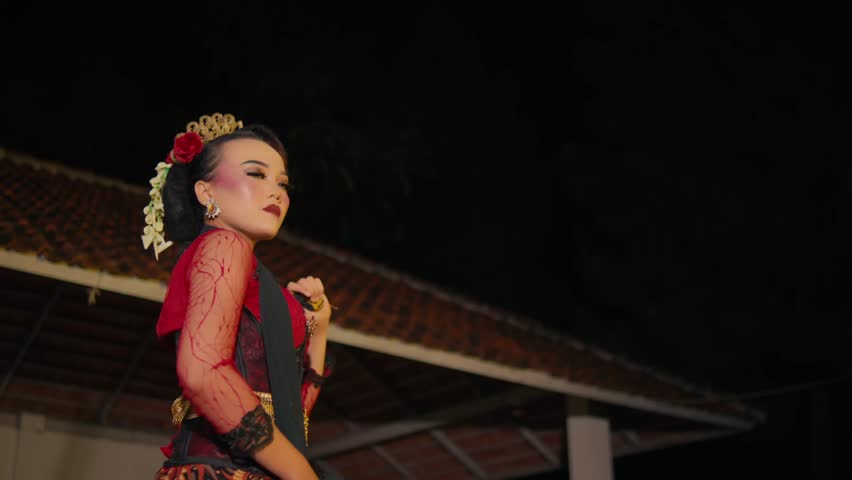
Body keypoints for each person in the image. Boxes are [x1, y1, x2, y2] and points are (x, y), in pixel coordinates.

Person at [142, 113, 334, 480]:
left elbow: (292, 420)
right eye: (256, 174)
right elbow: (203, 371)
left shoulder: (258, 280)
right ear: (206, 192)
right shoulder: (224, 244)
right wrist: (302, 475)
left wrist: (319, 330)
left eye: (283, 182)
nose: (277, 191)